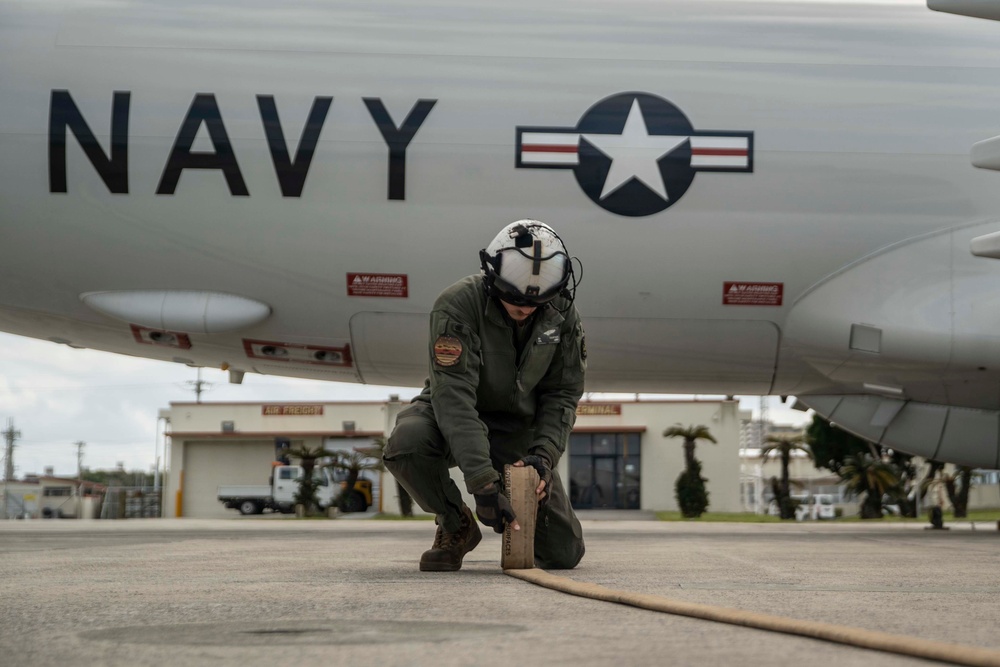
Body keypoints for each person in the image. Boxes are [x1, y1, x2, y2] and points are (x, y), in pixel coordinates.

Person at [383, 219, 587, 572]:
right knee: (408, 443)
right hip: (450, 413)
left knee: (563, 553)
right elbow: (455, 398)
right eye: (515, 298)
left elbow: (562, 394)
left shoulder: (563, 314)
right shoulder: (457, 305)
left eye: (537, 301)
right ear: (492, 277)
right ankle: (455, 524)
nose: (525, 308)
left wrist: (542, 458)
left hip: (516, 429)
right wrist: (483, 485)